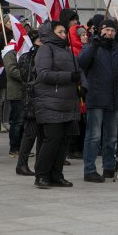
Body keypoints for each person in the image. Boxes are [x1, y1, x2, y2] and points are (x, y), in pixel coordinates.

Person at [78, 19, 118, 182]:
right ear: (100, 30)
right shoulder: (92, 47)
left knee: (111, 137)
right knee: (93, 136)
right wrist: (94, 45)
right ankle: (89, 170)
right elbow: (81, 62)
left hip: (113, 98)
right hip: (96, 96)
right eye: (106, 30)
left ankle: (109, 167)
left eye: (112, 30)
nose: (109, 33)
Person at [34, 21, 81, 188]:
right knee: (52, 139)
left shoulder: (67, 50)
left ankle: (56, 175)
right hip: (50, 102)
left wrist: (82, 83)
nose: (64, 34)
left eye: (64, 32)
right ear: (51, 33)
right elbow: (44, 74)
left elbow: (78, 72)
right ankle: (41, 175)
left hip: (67, 103)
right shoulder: (46, 49)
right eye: (60, 32)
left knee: (63, 142)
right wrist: (69, 76)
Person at [16, 30, 42, 175]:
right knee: (30, 134)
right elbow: (27, 77)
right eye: (39, 41)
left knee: (40, 135)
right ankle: (21, 164)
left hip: (38, 100)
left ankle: (39, 164)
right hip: (31, 101)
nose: (42, 44)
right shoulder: (28, 57)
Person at [3, 41, 25, 157]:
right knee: (17, 121)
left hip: (23, 92)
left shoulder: (22, 51)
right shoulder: (10, 52)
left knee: (22, 122)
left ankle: (21, 147)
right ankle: (14, 148)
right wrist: (26, 75)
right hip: (16, 92)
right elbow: (11, 71)